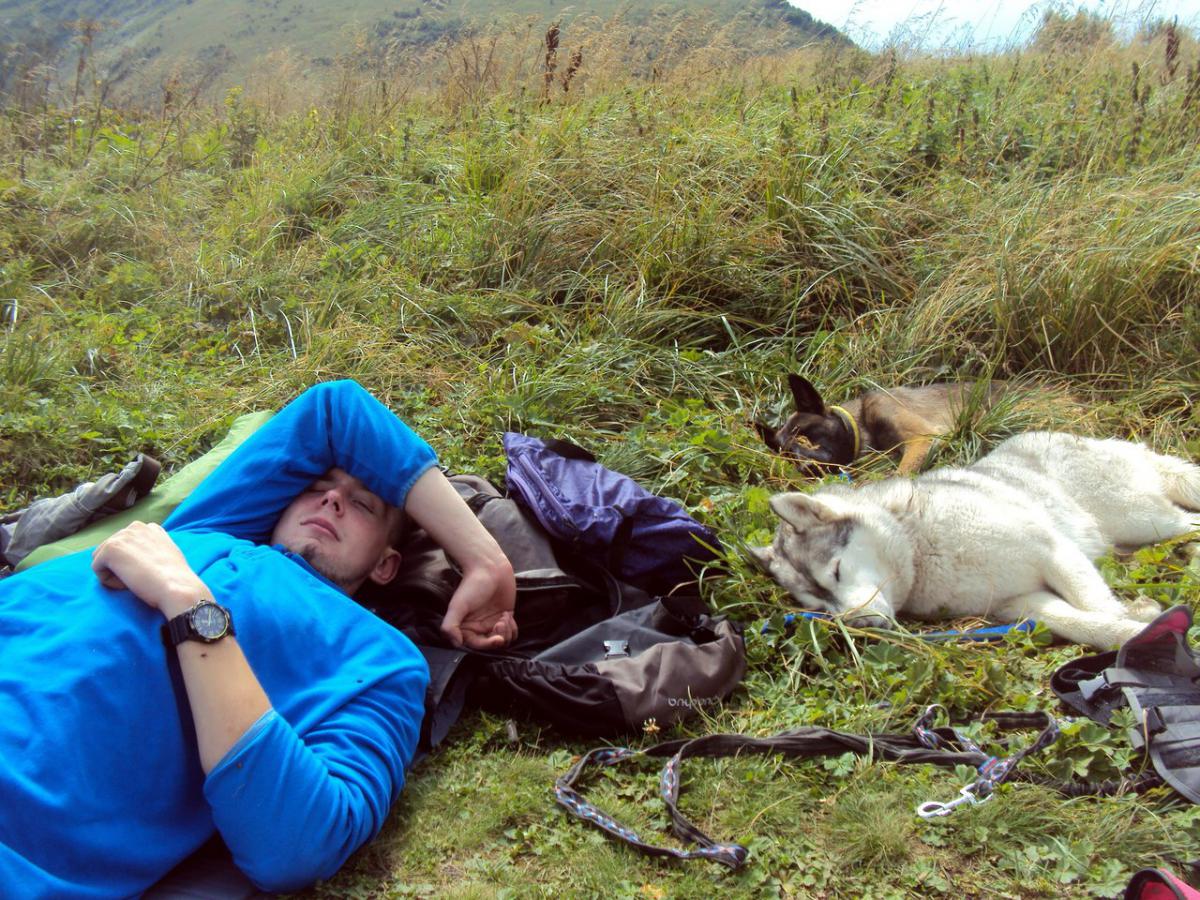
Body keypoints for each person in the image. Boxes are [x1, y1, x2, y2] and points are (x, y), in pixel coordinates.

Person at [0, 379, 517, 897]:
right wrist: (486, 561)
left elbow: (302, 843)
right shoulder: (213, 524)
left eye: (364, 505)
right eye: (317, 486)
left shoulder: (383, 662)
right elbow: (336, 412)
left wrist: (192, 608)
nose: (332, 498)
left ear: (386, 565)